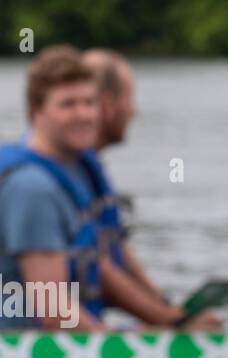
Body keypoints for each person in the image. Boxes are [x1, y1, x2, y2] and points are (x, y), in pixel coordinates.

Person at [0, 45, 217, 332]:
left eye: (89, 102)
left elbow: (99, 264)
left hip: (66, 346)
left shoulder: (71, 171)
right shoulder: (31, 189)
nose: (84, 115)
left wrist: (173, 321)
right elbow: (54, 310)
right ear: (36, 112)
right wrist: (114, 346)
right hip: (22, 354)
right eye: (68, 104)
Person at [82, 48, 216, 326]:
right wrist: (171, 323)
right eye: (130, 98)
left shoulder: (93, 171)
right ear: (109, 103)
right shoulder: (63, 175)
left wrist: (168, 311)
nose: (134, 110)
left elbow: (117, 250)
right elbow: (99, 269)